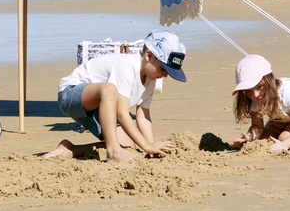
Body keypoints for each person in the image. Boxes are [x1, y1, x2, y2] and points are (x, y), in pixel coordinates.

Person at [43, 30, 186, 163]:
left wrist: (152, 146)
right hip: (71, 95)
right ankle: (113, 151)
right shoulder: (128, 66)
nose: (166, 75)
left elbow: (143, 117)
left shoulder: (151, 80)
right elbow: (121, 114)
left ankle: (70, 149)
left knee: (128, 147)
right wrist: (146, 145)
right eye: (164, 68)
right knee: (109, 89)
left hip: (100, 108)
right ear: (149, 56)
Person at [229, 54, 290, 153]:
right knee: (265, 139)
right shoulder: (254, 99)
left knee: (284, 138)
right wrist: (249, 137)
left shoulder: (288, 92)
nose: (256, 95)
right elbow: (257, 127)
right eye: (248, 91)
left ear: (270, 79)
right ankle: (289, 127)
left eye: (259, 86)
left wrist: (285, 144)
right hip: (285, 113)